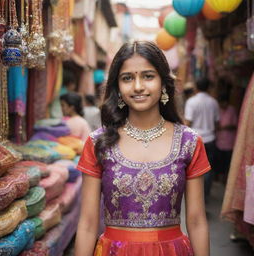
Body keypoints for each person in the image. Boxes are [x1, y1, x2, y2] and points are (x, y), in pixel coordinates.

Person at [75, 41, 210, 256]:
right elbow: (88, 224)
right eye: (127, 78)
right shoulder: (98, 143)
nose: (138, 86)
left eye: (148, 76)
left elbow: (196, 221)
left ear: (164, 83)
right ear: (117, 87)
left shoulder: (189, 142)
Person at [184, 78, 219, 202]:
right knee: (208, 169)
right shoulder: (214, 102)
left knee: (192, 169)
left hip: (195, 139)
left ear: (196, 88)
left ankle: (195, 197)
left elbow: (187, 122)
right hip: (210, 138)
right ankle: (205, 196)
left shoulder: (191, 102)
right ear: (208, 87)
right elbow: (217, 122)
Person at [215, 94, 237, 183]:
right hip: (219, 141)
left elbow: (235, 125)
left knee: (227, 162)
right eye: (221, 103)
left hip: (229, 142)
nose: (222, 105)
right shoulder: (218, 109)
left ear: (227, 102)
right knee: (218, 161)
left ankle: (225, 179)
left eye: (224, 103)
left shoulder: (232, 110)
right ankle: (218, 178)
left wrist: (223, 128)